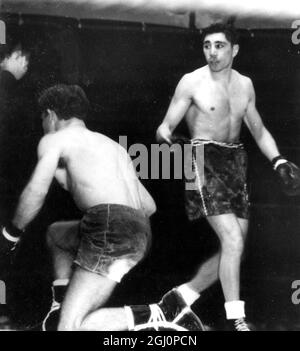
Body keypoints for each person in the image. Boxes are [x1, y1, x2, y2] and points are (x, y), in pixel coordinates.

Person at [156, 23, 300, 331]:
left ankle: (182, 297)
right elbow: (164, 130)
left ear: (234, 50)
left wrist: (278, 160)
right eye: (207, 45)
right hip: (202, 160)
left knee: (235, 246)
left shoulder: (244, 85)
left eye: (219, 46)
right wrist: (177, 144)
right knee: (233, 240)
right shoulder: (191, 82)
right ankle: (237, 320)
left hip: (236, 161)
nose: (212, 52)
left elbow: (258, 130)